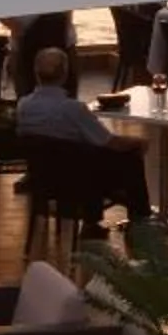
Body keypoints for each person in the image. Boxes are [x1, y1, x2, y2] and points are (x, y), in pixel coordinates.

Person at [11, 45, 153, 218]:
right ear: (65, 73)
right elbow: (109, 142)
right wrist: (138, 142)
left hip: (44, 176)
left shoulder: (23, 106)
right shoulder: (73, 109)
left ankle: (95, 220)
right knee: (131, 158)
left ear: (35, 73)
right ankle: (141, 218)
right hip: (80, 177)